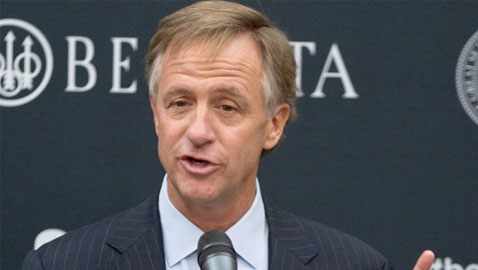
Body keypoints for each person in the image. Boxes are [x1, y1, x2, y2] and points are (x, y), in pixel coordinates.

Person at [22, 1, 435, 269]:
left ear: (274, 125)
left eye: (227, 107)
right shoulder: (62, 264)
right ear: (155, 113)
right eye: (180, 102)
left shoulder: (353, 265)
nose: (198, 131)